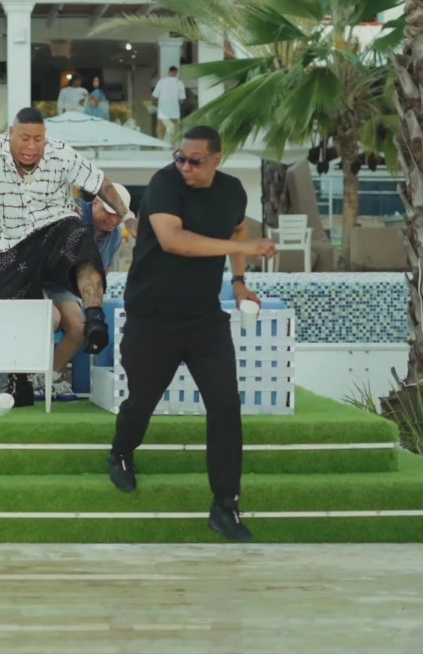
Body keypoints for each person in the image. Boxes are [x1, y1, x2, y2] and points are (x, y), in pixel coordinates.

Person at [107, 126, 276, 543]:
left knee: (226, 408)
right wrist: (244, 250)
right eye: (180, 157)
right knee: (141, 402)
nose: (185, 166)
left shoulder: (232, 191)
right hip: (152, 317)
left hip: (204, 319)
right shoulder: (165, 183)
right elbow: (174, 240)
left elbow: (238, 229)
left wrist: (239, 283)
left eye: (195, 161)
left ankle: (225, 505)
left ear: (217, 160)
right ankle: (121, 452)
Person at [0, 106, 136, 409]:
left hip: (54, 233)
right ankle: (19, 382)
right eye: (25, 138)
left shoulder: (61, 154)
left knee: (78, 235)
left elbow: (102, 184)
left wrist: (128, 218)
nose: (32, 147)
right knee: (13, 313)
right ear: (11, 133)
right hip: (12, 246)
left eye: (38, 139)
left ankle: (95, 318)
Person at [36, 182, 131, 402]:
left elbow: (101, 273)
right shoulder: (71, 212)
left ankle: (48, 379)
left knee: (79, 327)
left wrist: (94, 311)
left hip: (63, 286)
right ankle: (23, 377)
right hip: (36, 279)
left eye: (118, 215)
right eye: (109, 212)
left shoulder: (115, 236)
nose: (113, 219)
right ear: (95, 202)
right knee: (51, 319)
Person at [152, 66, 187, 142]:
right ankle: (175, 148)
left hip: (162, 113)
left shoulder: (161, 82)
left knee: (160, 135)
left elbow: (154, 97)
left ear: (169, 72)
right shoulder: (180, 83)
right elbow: (182, 100)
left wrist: (159, 103)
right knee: (175, 135)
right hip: (174, 113)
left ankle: (159, 148)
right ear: (176, 73)